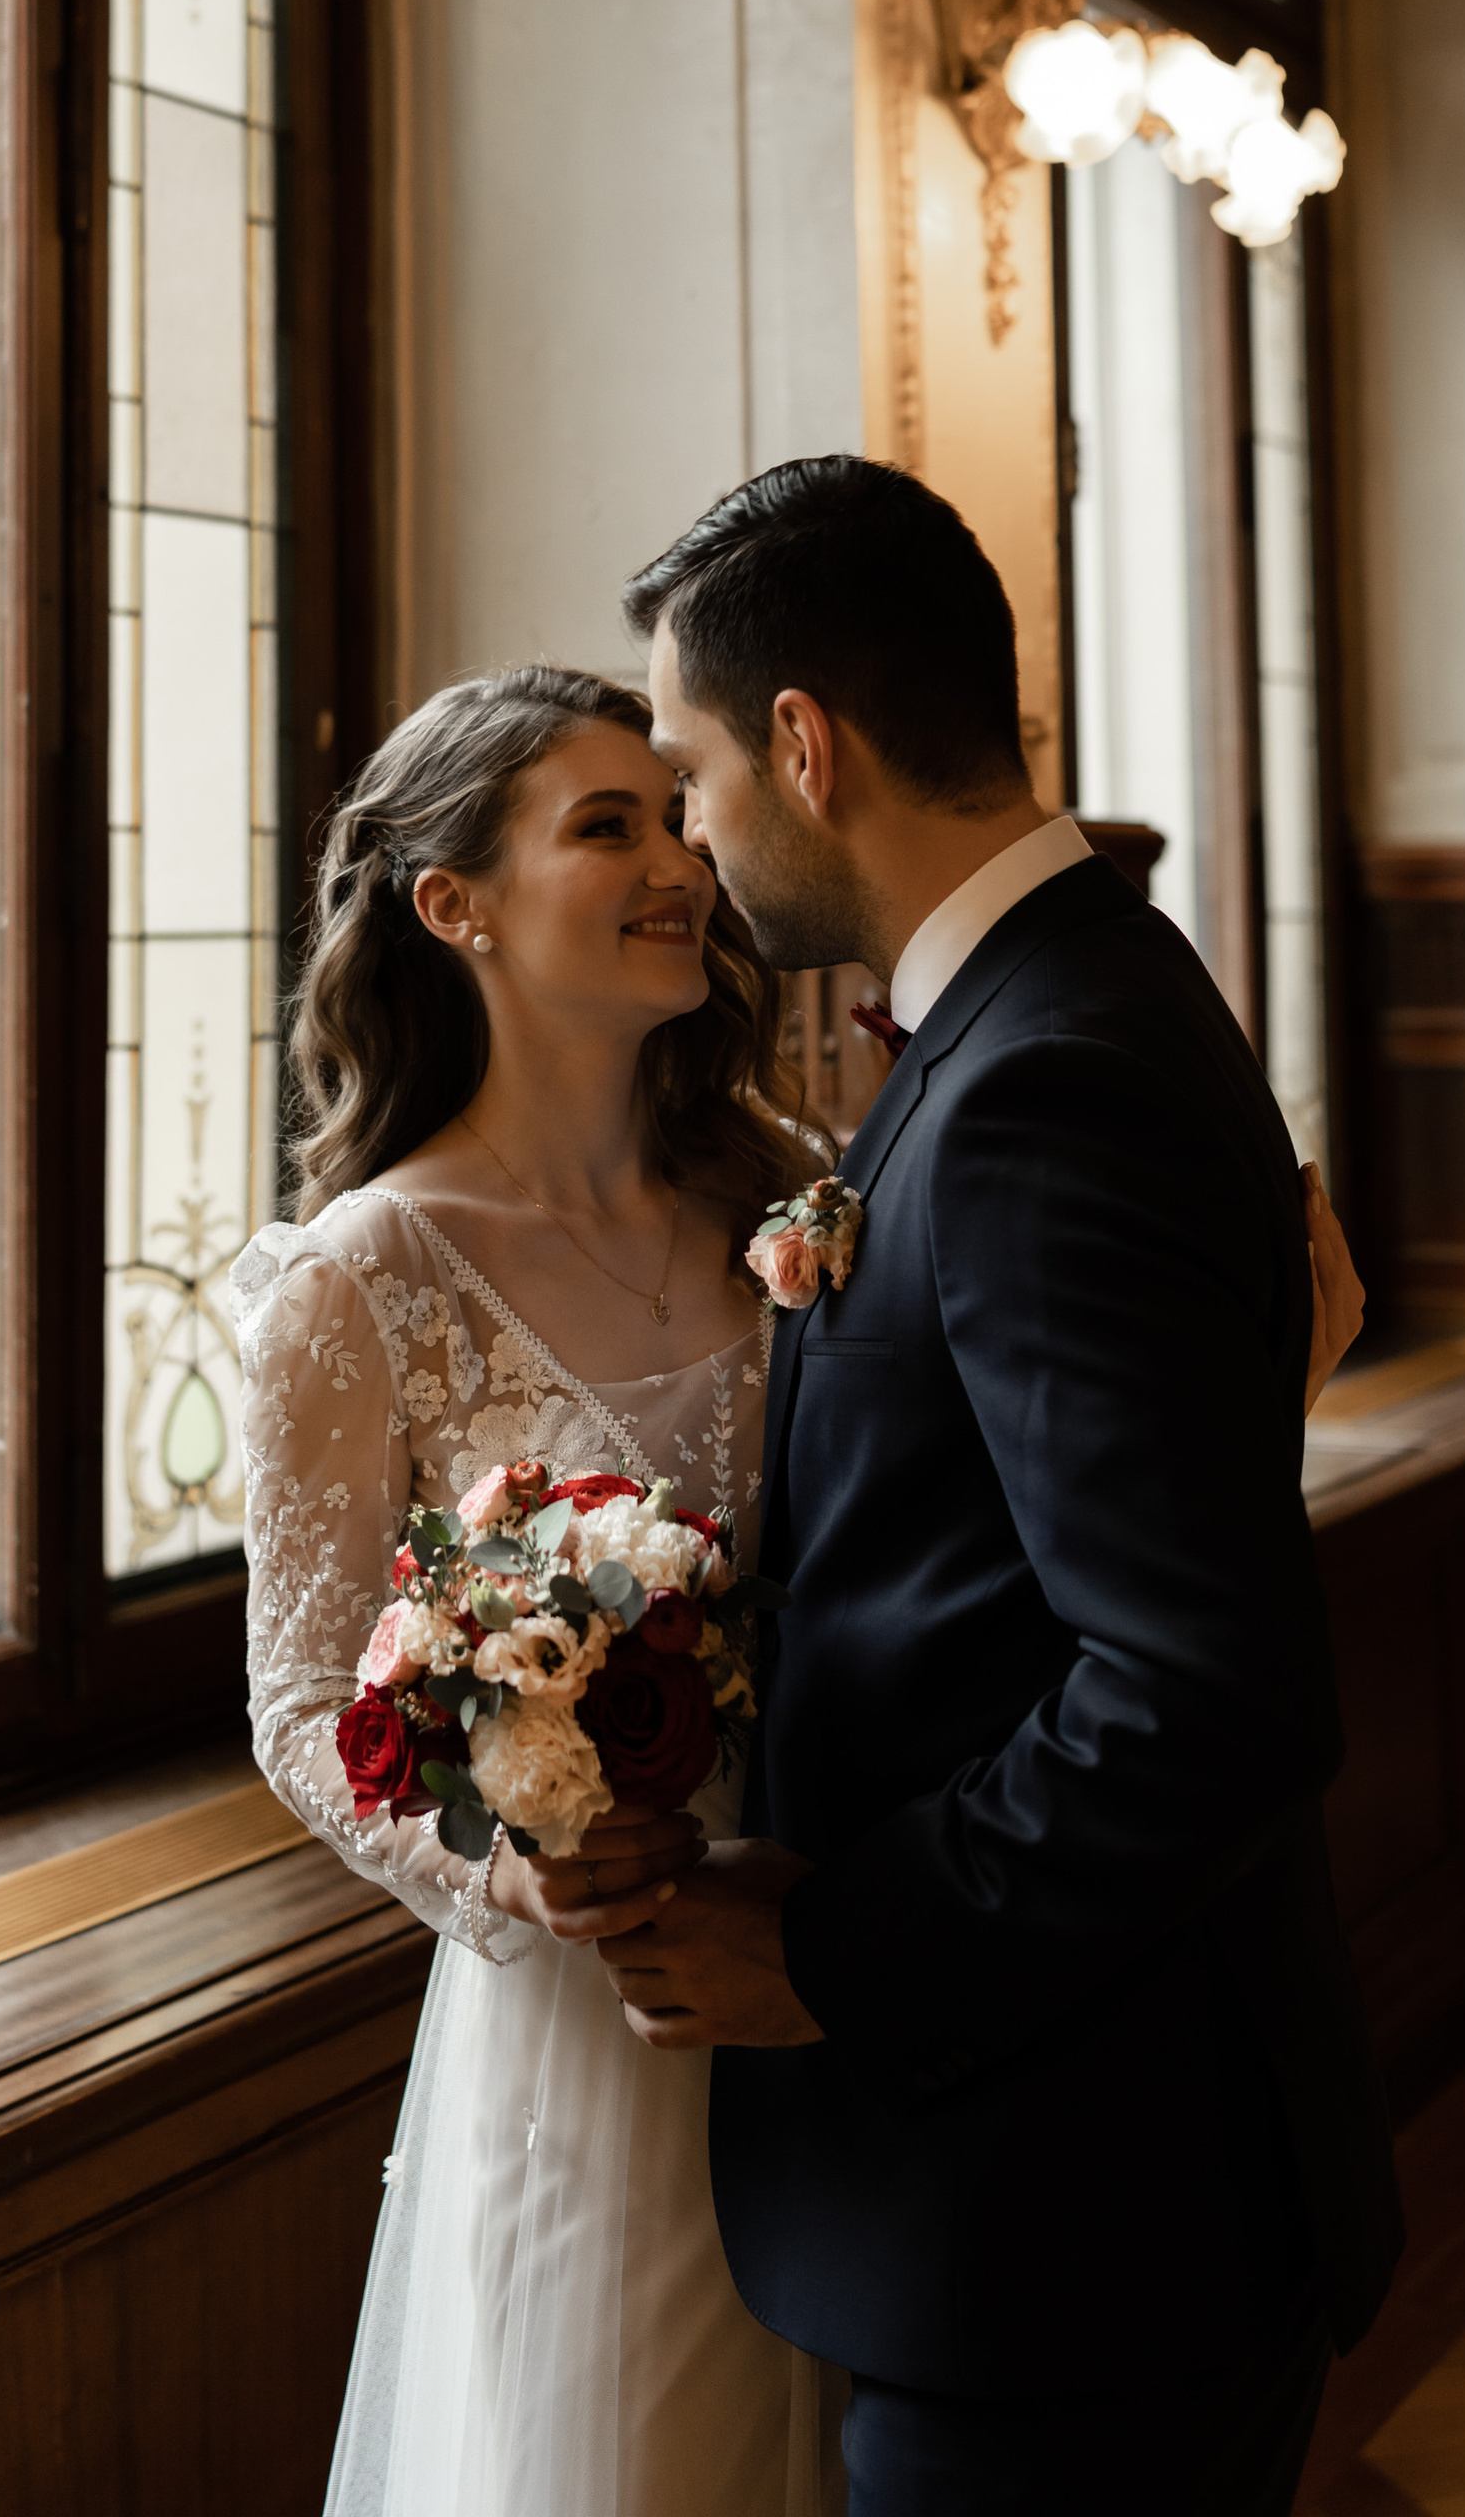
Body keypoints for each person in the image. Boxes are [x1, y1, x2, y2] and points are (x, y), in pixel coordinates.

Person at [236, 642, 1372, 2517]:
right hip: (623, 2011)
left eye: (683, 811)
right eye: (610, 825)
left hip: (884, 1970)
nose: (684, 859)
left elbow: (997, 1516)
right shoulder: (357, 1281)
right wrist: (516, 1858)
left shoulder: (789, 1187)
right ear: (455, 907)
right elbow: (298, 1703)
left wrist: (1257, 1393)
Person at [596, 456, 1403, 2516]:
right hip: (1069, 2186)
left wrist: (839, 1951)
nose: (690, 835)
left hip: (1076, 2216)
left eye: (687, 769)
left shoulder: (1041, 1075)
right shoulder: (1066, 1003)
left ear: (801, 742)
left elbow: (1200, 1693)